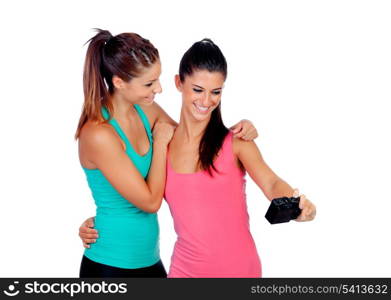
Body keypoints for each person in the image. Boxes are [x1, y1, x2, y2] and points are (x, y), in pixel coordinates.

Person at [80, 38, 316, 278]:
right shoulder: (162, 144)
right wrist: (99, 222)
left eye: (216, 92)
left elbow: (271, 182)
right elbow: (136, 195)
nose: (206, 101)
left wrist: (295, 204)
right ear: (179, 83)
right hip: (179, 273)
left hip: (236, 272)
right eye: (197, 90)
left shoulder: (234, 142)